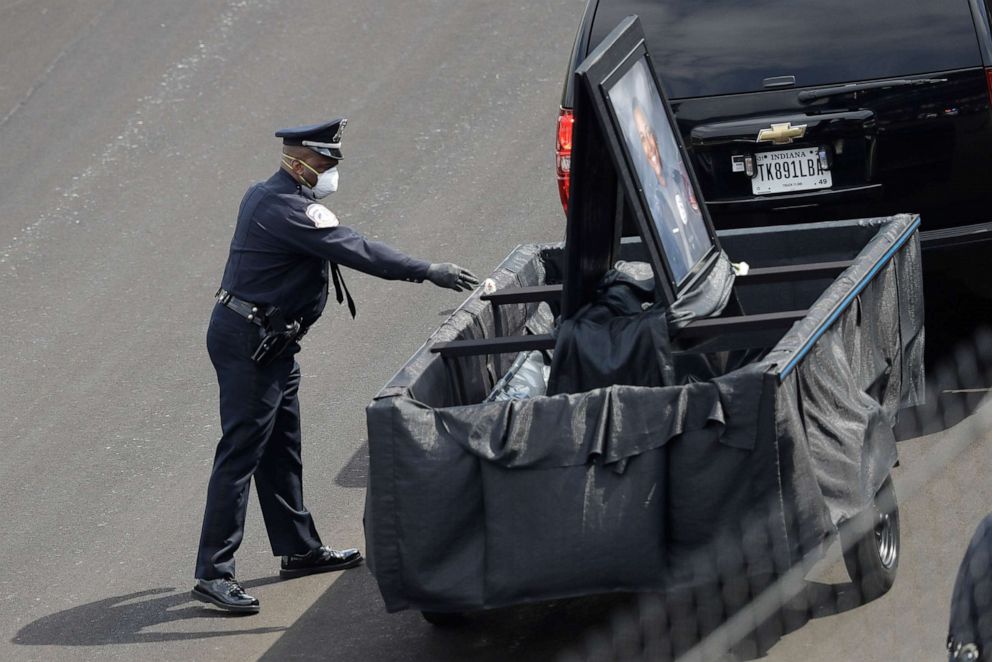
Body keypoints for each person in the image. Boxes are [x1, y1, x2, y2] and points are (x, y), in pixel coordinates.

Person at [192, 118, 479, 613]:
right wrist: (428, 271)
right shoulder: (285, 209)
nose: (331, 172)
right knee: (241, 453)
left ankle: (298, 549)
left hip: (272, 343)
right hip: (249, 342)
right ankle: (213, 573)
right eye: (326, 163)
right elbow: (358, 249)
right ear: (298, 161)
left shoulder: (277, 199)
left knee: (282, 449)